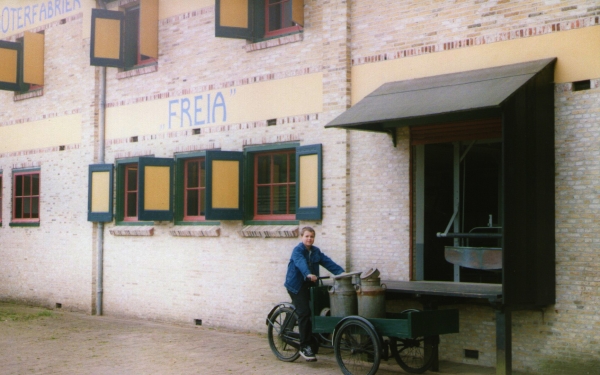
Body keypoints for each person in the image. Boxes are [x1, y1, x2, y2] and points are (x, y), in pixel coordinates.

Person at [284, 226, 345, 362]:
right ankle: (304, 346)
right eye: (307, 236)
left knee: (318, 311)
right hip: (297, 286)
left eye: (311, 236)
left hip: (310, 285)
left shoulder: (315, 251)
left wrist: (342, 273)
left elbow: (328, 262)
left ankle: (313, 341)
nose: (309, 239)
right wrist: (308, 274)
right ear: (302, 237)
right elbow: (300, 263)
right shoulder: (297, 250)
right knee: (305, 312)